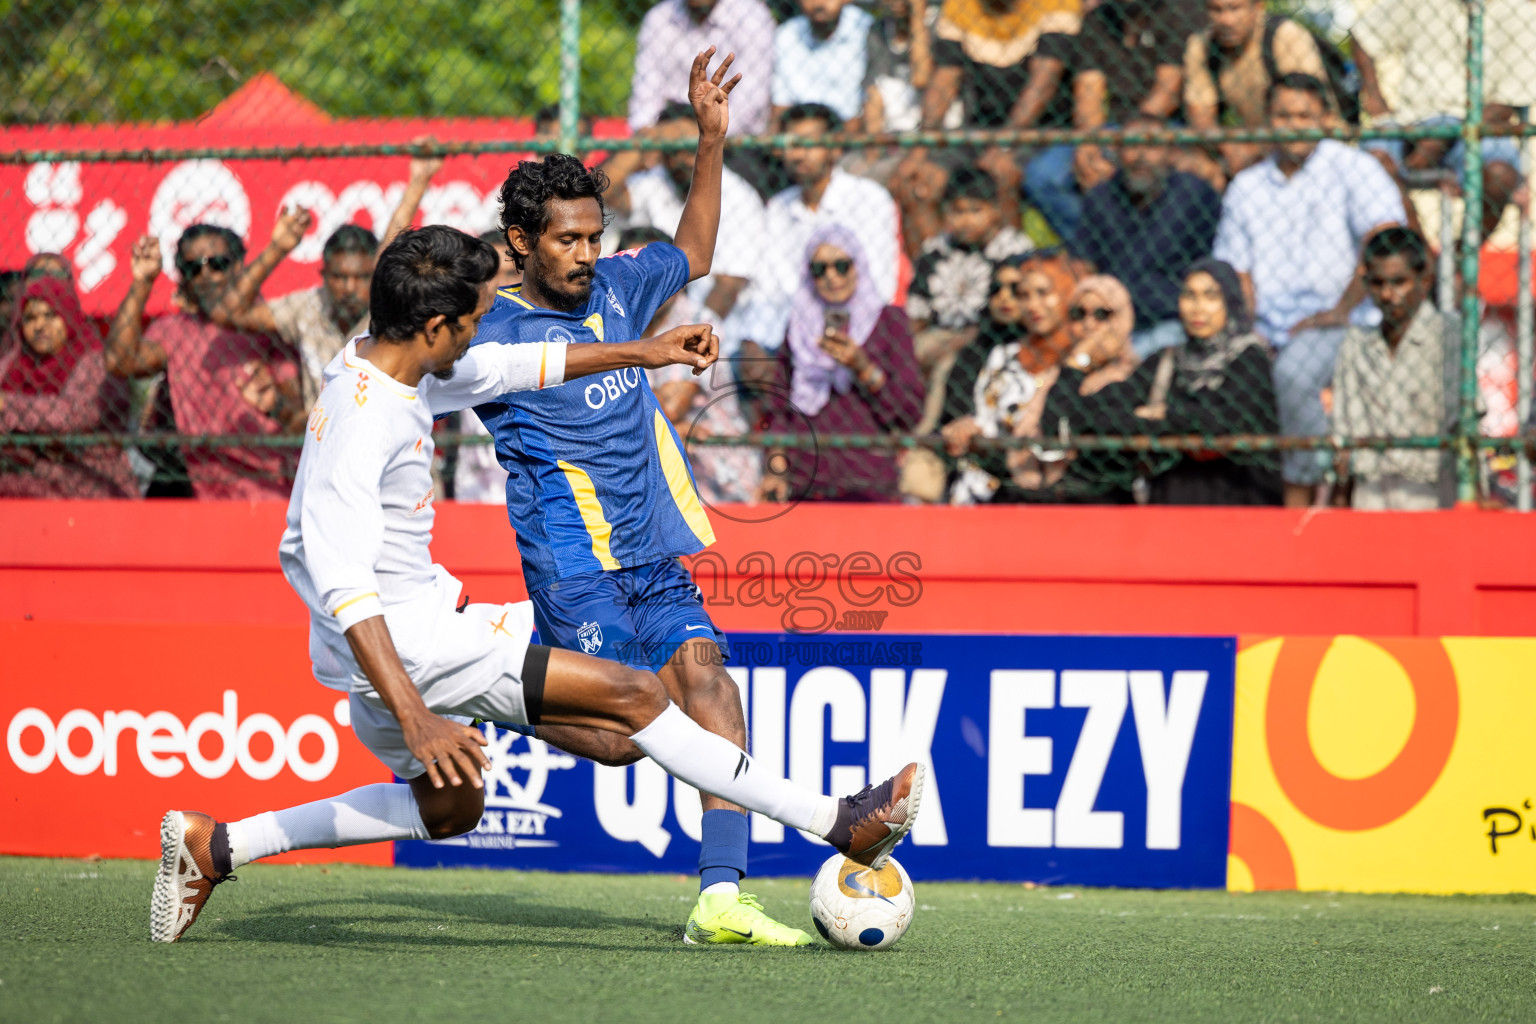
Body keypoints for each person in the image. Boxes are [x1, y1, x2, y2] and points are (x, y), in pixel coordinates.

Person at [149, 224, 924, 944]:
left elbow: (523, 364)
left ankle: (214, 846)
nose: (488, 328)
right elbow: (344, 584)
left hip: (396, 641)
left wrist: (643, 353)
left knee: (453, 807)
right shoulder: (364, 421)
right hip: (408, 644)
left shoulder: (385, 359)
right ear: (434, 329)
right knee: (638, 694)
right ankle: (840, 823)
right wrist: (418, 717)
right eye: (478, 316)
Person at [471, 49, 821, 946]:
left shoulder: (622, 282)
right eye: (567, 241)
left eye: (594, 234)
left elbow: (696, 251)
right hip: (572, 565)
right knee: (629, 735)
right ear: (521, 244)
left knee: (711, 689)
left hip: (649, 553)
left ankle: (720, 898)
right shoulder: (487, 332)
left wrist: (712, 141)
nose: (587, 254)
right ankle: (486, 685)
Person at [1212, 73, 1404, 506]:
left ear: (1325, 118)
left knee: (1293, 373)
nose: (1294, 124)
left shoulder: (1354, 168)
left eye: (1305, 115)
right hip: (1266, 326)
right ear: (1268, 119)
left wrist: (1339, 310)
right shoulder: (1247, 186)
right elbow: (1236, 271)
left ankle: (1307, 489)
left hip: (1347, 323)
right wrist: (1247, 330)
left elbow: (1386, 243)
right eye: (1283, 115)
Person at [209, 154, 443, 409]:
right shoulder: (308, 305)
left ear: (375, 276)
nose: (349, 288)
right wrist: (276, 249)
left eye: (361, 278)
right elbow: (227, 312)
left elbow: (391, 247)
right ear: (323, 275)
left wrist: (418, 182)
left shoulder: (386, 305)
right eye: (340, 277)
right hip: (323, 438)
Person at [105, 222, 311, 500]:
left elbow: (302, 418)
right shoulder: (175, 331)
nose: (205, 275)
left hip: (271, 489)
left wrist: (275, 406)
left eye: (217, 264)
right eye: (193, 268)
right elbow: (120, 360)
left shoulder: (268, 325)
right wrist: (142, 281)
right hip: (206, 491)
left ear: (238, 266)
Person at [893, 0, 1082, 249]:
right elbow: (944, 82)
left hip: (1043, 130)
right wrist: (921, 147)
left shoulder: (1057, 4)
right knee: (919, 181)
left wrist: (1004, 145)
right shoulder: (959, 6)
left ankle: (1009, 268)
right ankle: (935, 274)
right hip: (980, 128)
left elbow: (1043, 83)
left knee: (1002, 172)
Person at [757, 224, 925, 503]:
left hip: (868, 480)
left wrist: (863, 368)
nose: (832, 277)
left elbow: (909, 412)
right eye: (820, 269)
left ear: (858, 265)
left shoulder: (888, 322)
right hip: (805, 480)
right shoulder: (800, 326)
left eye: (841, 266)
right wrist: (776, 469)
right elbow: (778, 407)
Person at [1351, 0, 1534, 241]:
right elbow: (1363, 35)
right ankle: (1420, 256)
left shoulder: (1520, 13)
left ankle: (1462, 259)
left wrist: (1444, 137)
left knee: (1500, 175)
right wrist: (1374, 99)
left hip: (1479, 127)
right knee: (1373, 162)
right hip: (1412, 120)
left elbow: (1506, 104)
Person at [603, 100, 767, 355]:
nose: (681, 159)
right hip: (643, 325)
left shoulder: (738, 195)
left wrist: (690, 338)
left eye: (689, 148)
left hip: (712, 333)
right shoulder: (655, 181)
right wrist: (650, 137)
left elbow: (727, 287)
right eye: (673, 149)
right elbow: (599, 192)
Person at [1021, 0, 1184, 245]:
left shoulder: (1178, 13)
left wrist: (1124, 145)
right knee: (1041, 177)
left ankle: (1141, 247)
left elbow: (1166, 94)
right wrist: (1089, 142)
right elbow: (1089, 94)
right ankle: (1096, 246)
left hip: (1160, 126)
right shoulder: (1097, 20)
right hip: (1106, 129)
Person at [621, 226, 762, 505]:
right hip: (652, 472)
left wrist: (622, 409)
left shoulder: (696, 321)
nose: (644, 281)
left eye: (654, 270)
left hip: (719, 476)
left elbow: (670, 409)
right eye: (632, 270)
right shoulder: (618, 324)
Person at [751, 103, 901, 363]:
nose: (798, 155)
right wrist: (754, 340)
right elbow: (768, 288)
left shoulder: (870, 199)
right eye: (790, 144)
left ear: (835, 147)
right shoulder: (778, 207)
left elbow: (880, 283)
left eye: (808, 144)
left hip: (857, 331)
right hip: (789, 333)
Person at [1331, 227, 1463, 510]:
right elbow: (1345, 434)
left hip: (1432, 489)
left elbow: (1462, 421)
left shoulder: (1448, 335)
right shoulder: (1357, 344)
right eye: (1378, 284)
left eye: (1399, 282)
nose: (1388, 295)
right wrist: (1340, 499)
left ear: (1424, 281)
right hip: (1372, 491)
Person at [1131, 258, 1281, 505]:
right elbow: (1115, 412)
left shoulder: (1250, 357)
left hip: (1239, 501)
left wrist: (1165, 416)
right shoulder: (1168, 359)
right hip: (1173, 501)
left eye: (1211, 297)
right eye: (1189, 296)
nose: (1197, 308)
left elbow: (1225, 422)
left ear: (1230, 302)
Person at [1071, 114, 1222, 358]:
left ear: (1171, 153)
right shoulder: (1100, 199)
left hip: (1174, 323)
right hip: (1109, 323)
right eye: (1131, 145)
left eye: (1152, 145)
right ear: (1118, 152)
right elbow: (1082, 267)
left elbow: (1215, 267)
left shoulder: (1195, 196)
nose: (1141, 155)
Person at [941, 251, 1080, 503]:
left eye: (1043, 293)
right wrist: (970, 427)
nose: (1033, 305)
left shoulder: (1080, 361)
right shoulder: (1002, 356)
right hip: (983, 490)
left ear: (1067, 294)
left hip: (1052, 497)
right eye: (1024, 296)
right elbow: (985, 418)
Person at [0, 277, 135, 498]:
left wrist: (7, 406)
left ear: (68, 315)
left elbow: (70, 415)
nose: (40, 325)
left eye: (50, 315)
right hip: (22, 492)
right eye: (30, 318)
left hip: (90, 491)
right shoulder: (13, 365)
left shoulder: (95, 361)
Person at [1181, 0, 1337, 187]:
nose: (1226, 20)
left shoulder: (1284, 35)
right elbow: (1200, 115)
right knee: (1195, 165)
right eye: (1216, 10)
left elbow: (1304, 114)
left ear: (1258, 7)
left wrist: (1253, 149)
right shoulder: (1203, 45)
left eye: (1235, 8)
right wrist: (1230, 148)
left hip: (1306, 145)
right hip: (1249, 147)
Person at [1028, 274, 1147, 502]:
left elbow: (1058, 422)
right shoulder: (1054, 375)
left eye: (1102, 314)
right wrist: (1076, 365)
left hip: (1105, 501)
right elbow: (1053, 428)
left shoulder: (1136, 376)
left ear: (1123, 318)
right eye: (1078, 314)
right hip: (1044, 497)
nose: (1089, 325)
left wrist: (1078, 362)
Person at [907, 167, 1033, 370]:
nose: (966, 221)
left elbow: (1010, 317)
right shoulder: (936, 249)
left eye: (976, 210)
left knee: (949, 366)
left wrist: (957, 343)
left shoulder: (1013, 249)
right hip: (938, 333)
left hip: (992, 338)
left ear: (995, 210)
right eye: (958, 211)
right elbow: (917, 311)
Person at [630, 0, 775, 137]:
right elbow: (644, 102)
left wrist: (697, 132)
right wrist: (652, 134)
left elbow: (748, 109)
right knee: (627, 156)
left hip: (732, 140)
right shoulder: (659, 18)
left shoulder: (752, 17)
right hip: (666, 128)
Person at [771, 0, 874, 130]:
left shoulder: (866, 30)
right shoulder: (786, 35)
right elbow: (781, 104)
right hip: (800, 132)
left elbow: (869, 98)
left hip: (852, 133)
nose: (818, 4)